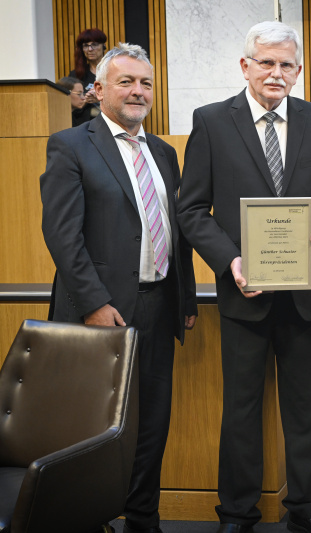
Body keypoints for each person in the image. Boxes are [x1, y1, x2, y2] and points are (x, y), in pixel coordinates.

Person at [176, 21, 311, 533]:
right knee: (240, 412)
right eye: (266, 63)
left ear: (298, 72)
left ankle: (307, 508)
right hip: (244, 292)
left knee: (304, 410)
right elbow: (191, 210)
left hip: (303, 295)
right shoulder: (212, 122)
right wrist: (229, 261)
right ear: (245, 67)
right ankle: (236, 512)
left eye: (286, 65)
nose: (276, 73)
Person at [40, 43, 198, 533]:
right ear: (98, 90)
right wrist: (94, 303)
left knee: (151, 427)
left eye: (145, 83)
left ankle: (142, 520)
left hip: (157, 308)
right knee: (92, 429)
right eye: (126, 81)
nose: (137, 91)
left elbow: (177, 229)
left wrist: (185, 297)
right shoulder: (71, 145)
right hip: (99, 317)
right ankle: (90, 521)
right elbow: (62, 236)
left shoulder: (166, 153)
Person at [69, 28, 107, 107]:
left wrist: (101, 98)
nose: (90, 49)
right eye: (86, 46)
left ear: (104, 46)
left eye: (94, 45)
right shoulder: (75, 75)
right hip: (83, 118)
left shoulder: (114, 71)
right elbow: (68, 104)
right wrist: (85, 99)